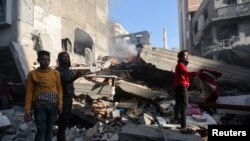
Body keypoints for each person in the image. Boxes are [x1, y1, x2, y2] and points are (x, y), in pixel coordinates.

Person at [24, 50, 63, 141]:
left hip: (53, 105)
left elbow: (59, 89)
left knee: (50, 129)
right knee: (41, 130)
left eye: (48, 59)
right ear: (38, 60)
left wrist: (60, 104)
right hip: (40, 106)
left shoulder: (55, 73)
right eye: (43, 59)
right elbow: (29, 92)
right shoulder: (32, 74)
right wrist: (27, 109)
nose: (46, 61)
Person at [56, 52, 82, 141]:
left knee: (66, 119)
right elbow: (64, 81)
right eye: (63, 57)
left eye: (67, 56)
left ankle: (61, 137)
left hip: (69, 97)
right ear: (59, 59)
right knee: (62, 120)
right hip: (62, 98)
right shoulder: (58, 70)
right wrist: (76, 77)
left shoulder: (69, 70)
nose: (66, 58)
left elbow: (70, 84)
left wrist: (74, 95)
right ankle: (61, 138)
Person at [173, 50, 198, 134]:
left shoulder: (179, 65)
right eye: (186, 55)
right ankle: (183, 128)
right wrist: (196, 74)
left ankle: (176, 119)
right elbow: (186, 73)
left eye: (187, 55)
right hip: (181, 85)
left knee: (178, 103)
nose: (187, 57)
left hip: (178, 86)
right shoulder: (181, 65)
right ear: (181, 57)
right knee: (184, 105)